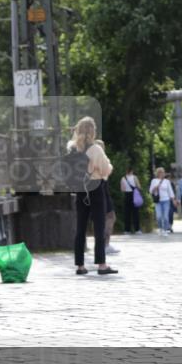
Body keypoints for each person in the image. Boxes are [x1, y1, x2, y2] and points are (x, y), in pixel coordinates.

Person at [69, 117, 117, 275]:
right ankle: (101, 265)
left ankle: (80, 266)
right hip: (96, 189)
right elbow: (105, 170)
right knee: (99, 227)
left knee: (80, 228)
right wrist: (108, 164)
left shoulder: (73, 148)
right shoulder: (96, 149)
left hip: (80, 190)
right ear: (92, 131)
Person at [149, 168, 176, 237]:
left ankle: (165, 230)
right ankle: (160, 228)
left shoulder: (167, 181)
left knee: (166, 217)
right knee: (159, 216)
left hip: (166, 200)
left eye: (163, 172)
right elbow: (150, 191)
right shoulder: (154, 181)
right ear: (157, 173)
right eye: (160, 172)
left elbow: (170, 191)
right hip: (158, 201)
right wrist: (156, 187)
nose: (162, 174)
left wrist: (173, 200)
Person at [120, 167, 142, 234]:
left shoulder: (123, 178)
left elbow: (122, 189)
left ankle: (127, 230)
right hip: (134, 195)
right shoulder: (134, 177)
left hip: (127, 195)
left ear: (126, 171)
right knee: (135, 213)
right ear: (132, 171)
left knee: (127, 214)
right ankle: (137, 229)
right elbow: (139, 186)